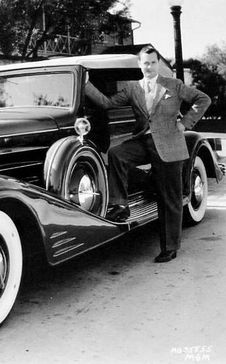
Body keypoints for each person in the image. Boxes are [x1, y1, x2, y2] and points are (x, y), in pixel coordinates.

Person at [85, 45, 211, 263]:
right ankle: (121, 205)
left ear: (157, 64)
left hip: (170, 144)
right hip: (144, 142)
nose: (150, 67)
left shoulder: (174, 85)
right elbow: (106, 104)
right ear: (139, 65)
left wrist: (185, 123)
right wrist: (85, 83)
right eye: (146, 63)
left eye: (153, 62)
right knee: (116, 154)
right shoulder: (133, 88)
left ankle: (170, 248)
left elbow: (203, 99)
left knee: (169, 198)